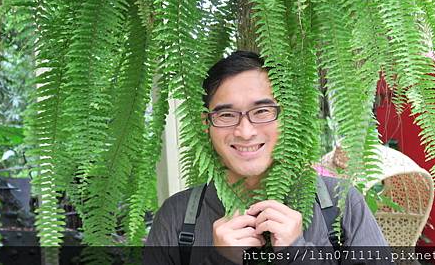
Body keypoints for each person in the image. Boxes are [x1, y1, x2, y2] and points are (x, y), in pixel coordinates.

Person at [145, 51, 387, 264]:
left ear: (288, 118)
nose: (245, 131)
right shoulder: (177, 217)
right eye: (227, 115)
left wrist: (298, 254)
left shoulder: (340, 204)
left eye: (262, 111)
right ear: (205, 124)